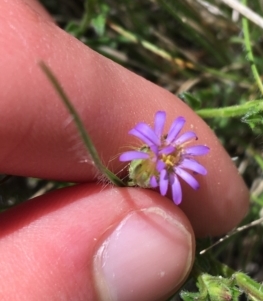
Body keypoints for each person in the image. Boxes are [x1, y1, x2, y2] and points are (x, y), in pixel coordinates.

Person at [0, 1, 249, 300]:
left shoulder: (167, 164)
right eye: (165, 155)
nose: (169, 158)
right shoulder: (148, 152)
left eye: (171, 157)